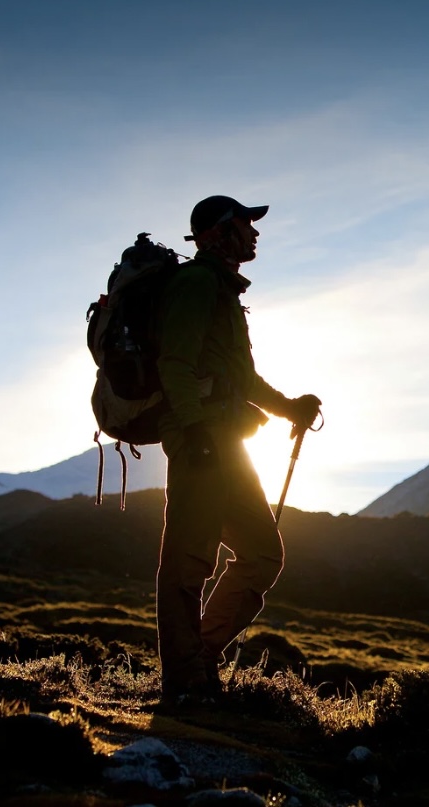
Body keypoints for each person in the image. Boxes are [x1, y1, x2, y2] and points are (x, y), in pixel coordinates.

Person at [152, 195, 321, 709]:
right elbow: (174, 363)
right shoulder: (197, 285)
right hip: (203, 441)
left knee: (262, 554)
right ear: (217, 233)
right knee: (189, 559)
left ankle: (198, 661)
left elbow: (240, 378)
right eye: (244, 224)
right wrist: (197, 431)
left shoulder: (223, 292)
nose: (253, 233)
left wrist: (290, 407)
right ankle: (185, 681)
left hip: (226, 441)